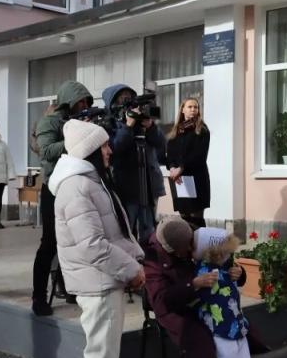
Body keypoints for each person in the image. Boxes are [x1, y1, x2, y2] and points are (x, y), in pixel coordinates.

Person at [50, 119, 145, 358]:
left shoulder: (91, 180)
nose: (109, 150)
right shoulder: (77, 186)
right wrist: (132, 270)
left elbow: (113, 232)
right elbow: (93, 245)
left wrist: (137, 258)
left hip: (103, 281)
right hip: (99, 285)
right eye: (104, 145)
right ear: (89, 149)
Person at [142, 218, 232, 358]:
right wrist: (193, 284)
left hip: (196, 297)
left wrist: (237, 271)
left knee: (228, 322)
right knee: (197, 338)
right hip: (172, 306)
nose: (189, 252)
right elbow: (161, 301)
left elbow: (228, 251)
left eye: (191, 246)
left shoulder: (190, 234)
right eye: (184, 251)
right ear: (171, 249)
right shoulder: (152, 256)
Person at [32, 80, 94, 316]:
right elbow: (46, 151)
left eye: (86, 102)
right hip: (54, 187)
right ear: (68, 101)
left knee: (75, 241)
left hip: (77, 185)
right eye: (80, 102)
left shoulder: (79, 120)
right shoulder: (49, 121)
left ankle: (70, 288)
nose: (83, 106)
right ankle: (38, 296)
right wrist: (75, 137)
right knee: (50, 243)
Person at [192, 227, 259, 358]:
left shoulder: (204, 273)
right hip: (238, 326)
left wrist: (195, 285)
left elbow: (198, 296)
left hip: (221, 329)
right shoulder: (227, 271)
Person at [102, 84, 166, 239]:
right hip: (126, 188)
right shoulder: (109, 124)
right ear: (113, 103)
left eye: (130, 97)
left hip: (148, 186)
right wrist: (128, 127)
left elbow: (161, 144)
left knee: (149, 230)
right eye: (123, 98)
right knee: (127, 230)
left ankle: (150, 260)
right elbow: (114, 149)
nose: (128, 101)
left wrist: (150, 127)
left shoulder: (142, 122)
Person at [166, 98, 210, 228]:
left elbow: (199, 155)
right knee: (184, 217)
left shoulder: (202, 129)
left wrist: (181, 167)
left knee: (197, 218)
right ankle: (187, 247)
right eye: (190, 107)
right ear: (183, 109)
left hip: (196, 177)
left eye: (195, 107)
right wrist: (173, 167)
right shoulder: (177, 130)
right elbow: (170, 153)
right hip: (180, 179)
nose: (193, 110)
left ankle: (201, 247)